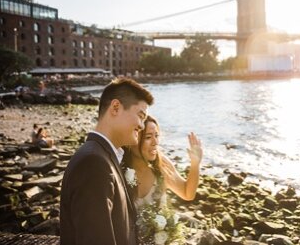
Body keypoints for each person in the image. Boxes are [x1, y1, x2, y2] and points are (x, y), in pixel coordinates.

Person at [60, 77, 154, 245]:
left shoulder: (103, 156)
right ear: (116, 107)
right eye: (140, 116)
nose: (141, 125)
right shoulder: (93, 162)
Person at [120, 115, 202, 245]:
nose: (155, 142)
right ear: (133, 139)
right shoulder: (118, 170)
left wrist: (195, 163)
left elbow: (187, 193)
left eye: (156, 136)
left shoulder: (161, 165)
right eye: (148, 137)